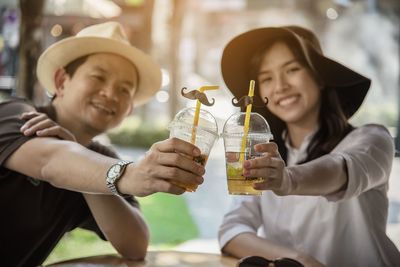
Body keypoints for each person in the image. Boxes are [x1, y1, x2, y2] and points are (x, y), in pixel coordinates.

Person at [0, 21, 205, 267]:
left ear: (129, 109)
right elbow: (50, 161)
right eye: (98, 77)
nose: (110, 94)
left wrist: (91, 183)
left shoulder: (102, 159)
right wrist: (130, 174)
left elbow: (135, 246)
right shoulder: (16, 115)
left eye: (124, 90)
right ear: (62, 81)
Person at [218, 26, 400, 267]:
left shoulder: (372, 140)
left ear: (320, 77)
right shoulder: (264, 155)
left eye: (292, 69)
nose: (280, 86)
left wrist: (287, 179)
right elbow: (232, 230)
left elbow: (339, 170)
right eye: (267, 78)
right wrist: (299, 260)